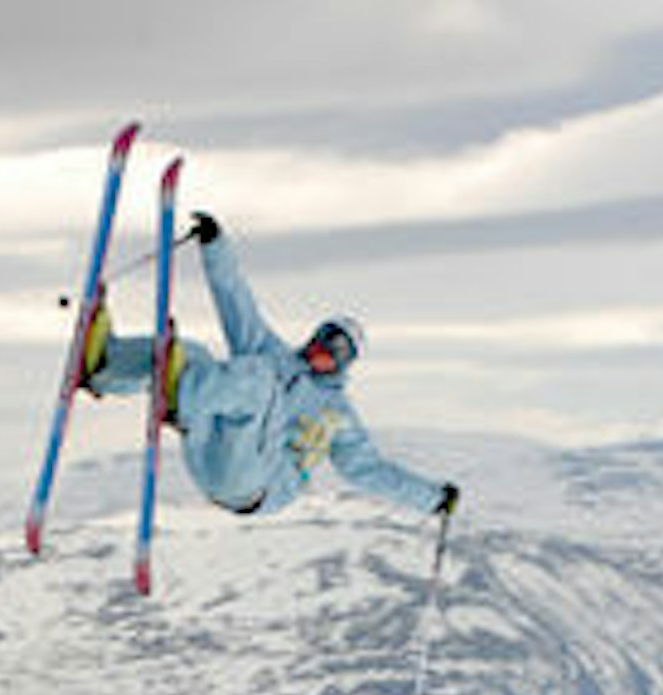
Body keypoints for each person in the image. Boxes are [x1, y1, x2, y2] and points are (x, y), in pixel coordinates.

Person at [82, 213, 459, 522]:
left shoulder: (336, 414)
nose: (324, 347)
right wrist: (215, 246)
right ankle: (105, 366)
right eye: (324, 335)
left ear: (346, 362)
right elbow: (237, 303)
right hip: (212, 454)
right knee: (192, 354)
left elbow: (370, 470)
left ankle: (180, 398)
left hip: (255, 483)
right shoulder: (273, 353)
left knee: (259, 380)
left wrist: (433, 499)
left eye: (338, 347)